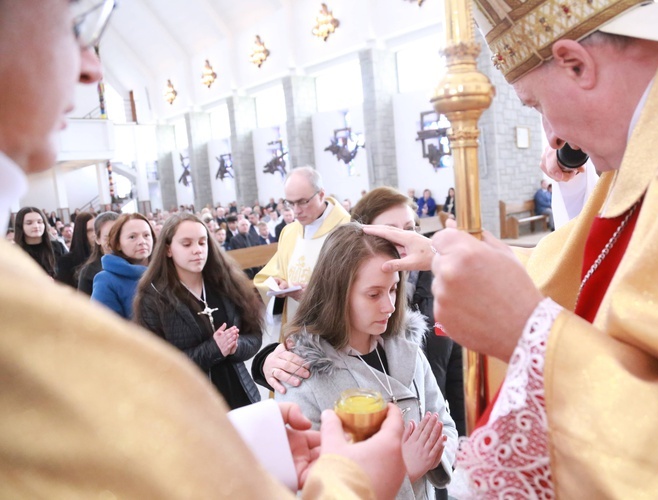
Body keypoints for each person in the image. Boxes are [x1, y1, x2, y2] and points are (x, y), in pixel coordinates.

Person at [0, 2, 405, 497]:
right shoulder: (114, 296)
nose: (92, 68)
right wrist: (351, 479)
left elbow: (250, 338)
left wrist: (245, 435)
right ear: (166, 251)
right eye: (74, 26)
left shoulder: (341, 238)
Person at [365, 0, 658, 497]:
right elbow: (589, 275)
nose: (554, 138)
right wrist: (444, 257)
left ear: (577, 63)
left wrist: (530, 333)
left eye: (536, 105)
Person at [253, 188, 467, 441]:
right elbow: (314, 468)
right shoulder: (304, 372)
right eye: (393, 231)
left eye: (411, 229)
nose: (406, 241)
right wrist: (264, 360)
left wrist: (450, 448)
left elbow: (445, 409)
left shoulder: (416, 321)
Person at [275, 223, 457, 499]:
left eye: (394, 289)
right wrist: (401, 470)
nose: (390, 306)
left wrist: (434, 456)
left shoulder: (407, 346)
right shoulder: (301, 372)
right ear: (337, 294)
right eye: (373, 294)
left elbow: (445, 424)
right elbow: (307, 487)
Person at [134, 213, 264, 409]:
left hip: (240, 394)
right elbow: (159, 365)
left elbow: (254, 336)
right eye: (187, 244)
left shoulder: (226, 283)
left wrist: (236, 346)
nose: (197, 251)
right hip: (192, 406)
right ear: (168, 249)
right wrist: (214, 349)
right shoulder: (153, 297)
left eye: (202, 243)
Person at [253, 166, 349, 326]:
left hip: (332, 325)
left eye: (303, 202)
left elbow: (356, 286)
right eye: (290, 203)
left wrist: (313, 296)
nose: (296, 211)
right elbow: (271, 276)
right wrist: (278, 285)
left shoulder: (347, 230)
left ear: (321, 194)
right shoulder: (289, 232)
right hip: (295, 324)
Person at [92, 212, 154, 318]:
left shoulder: (165, 271)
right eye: (132, 237)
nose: (142, 241)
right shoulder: (106, 280)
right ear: (118, 244)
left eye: (146, 235)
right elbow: (105, 327)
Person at [13, 206, 66, 277]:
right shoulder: (13, 251)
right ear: (20, 226)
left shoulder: (58, 246)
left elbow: (69, 272)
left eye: (39, 222)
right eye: (29, 223)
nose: (36, 226)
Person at [77, 211, 119, 296]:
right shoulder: (89, 272)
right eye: (107, 237)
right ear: (97, 239)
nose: (113, 242)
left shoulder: (135, 262)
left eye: (117, 236)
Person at [55, 211, 94, 288]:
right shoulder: (66, 261)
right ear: (81, 232)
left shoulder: (105, 256)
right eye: (90, 230)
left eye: (96, 229)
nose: (95, 234)